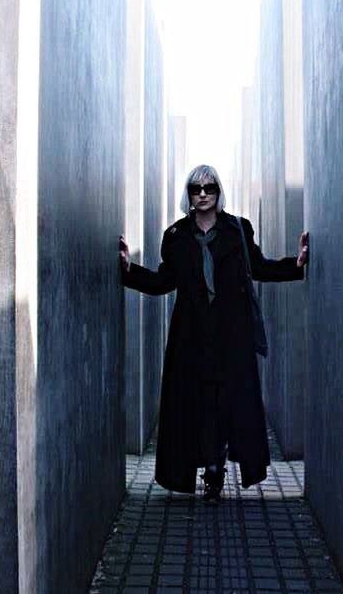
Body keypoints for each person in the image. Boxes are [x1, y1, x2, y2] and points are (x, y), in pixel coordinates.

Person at [119, 164, 309, 503]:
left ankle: (217, 464)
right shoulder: (176, 236)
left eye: (210, 188)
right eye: (196, 189)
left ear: (219, 192)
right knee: (197, 404)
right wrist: (128, 270)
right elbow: (164, 282)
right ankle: (207, 465)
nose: (203, 194)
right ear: (188, 195)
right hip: (190, 337)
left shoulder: (238, 229)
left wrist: (298, 264)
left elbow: (260, 268)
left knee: (228, 403)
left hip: (231, 335)